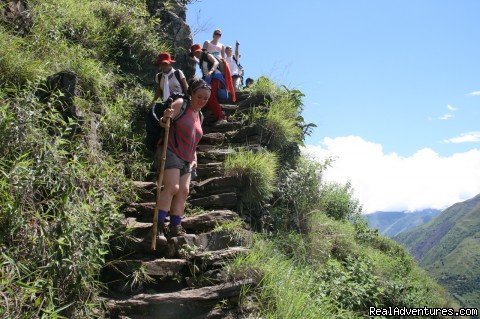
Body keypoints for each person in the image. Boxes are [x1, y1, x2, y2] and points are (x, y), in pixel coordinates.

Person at [155, 79, 211, 240]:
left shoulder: (200, 116)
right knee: (172, 187)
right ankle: (158, 226)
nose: (202, 101)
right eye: (199, 96)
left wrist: (195, 158)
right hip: (171, 150)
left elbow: (194, 140)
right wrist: (165, 117)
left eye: (206, 98)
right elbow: (164, 124)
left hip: (188, 158)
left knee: (184, 191)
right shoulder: (181, 104)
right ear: (191, 93)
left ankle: (175, 226)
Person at [190, 43, 228, 125]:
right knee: (206, 97)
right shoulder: (200, 60)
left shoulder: (207, 55)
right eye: (194, 53)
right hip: (208, 80)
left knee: (210, 97)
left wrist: (211, 71)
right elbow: (198, 62)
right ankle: (215, 114)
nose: (196, 55)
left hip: (215, 77)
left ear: (201, 51)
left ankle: (221, 117)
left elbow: (216, 62)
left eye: (197, 52)